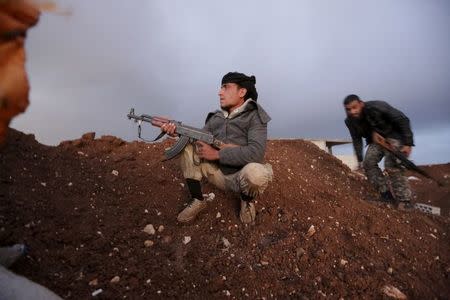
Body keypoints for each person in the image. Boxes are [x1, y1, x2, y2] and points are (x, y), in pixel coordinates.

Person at [161, 72, 273, 224]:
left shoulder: (255, 116)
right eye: (221, 88)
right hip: (217, 173)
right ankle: (198, 199)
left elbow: (256, 153)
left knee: (257, 173)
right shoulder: (216, 117)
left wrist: (217, 154)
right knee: (187, 148)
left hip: (241, 177)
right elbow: (199, 139)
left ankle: (246, 201)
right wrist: (177, 131)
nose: (219, 92)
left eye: (226, 87)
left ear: (242, 92)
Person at [343, 94, 414, 210]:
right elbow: (357, 140)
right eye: (348, 109)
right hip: (376, 141)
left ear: (361, 104)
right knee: (368, 164)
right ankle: (386, 196)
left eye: (354, 107)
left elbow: (402, 119)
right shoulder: (349, 121)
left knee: (391, 165)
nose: (352, 111)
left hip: (394, 137)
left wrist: (408, 143)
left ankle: (405, 201)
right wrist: (360, 160)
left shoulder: (377, 106)